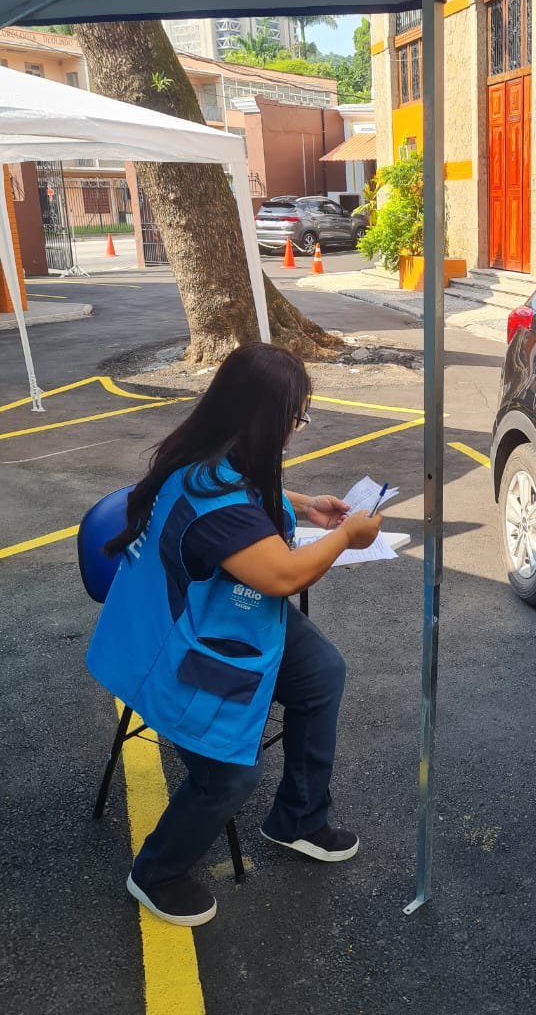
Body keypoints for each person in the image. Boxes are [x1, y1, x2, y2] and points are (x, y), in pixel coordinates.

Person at [85, 342, 383, 928]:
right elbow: (284, 575)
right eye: (296, 416)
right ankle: (157, 872)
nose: (298, 428)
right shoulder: (215, 503)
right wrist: (347, 537)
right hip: (173, 646)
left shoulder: (203, 447)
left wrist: (305, 505)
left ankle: (297, 818)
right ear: (264, 418)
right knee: (231, 774)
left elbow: (241, 489)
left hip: (218, 615)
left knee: (322, 671)